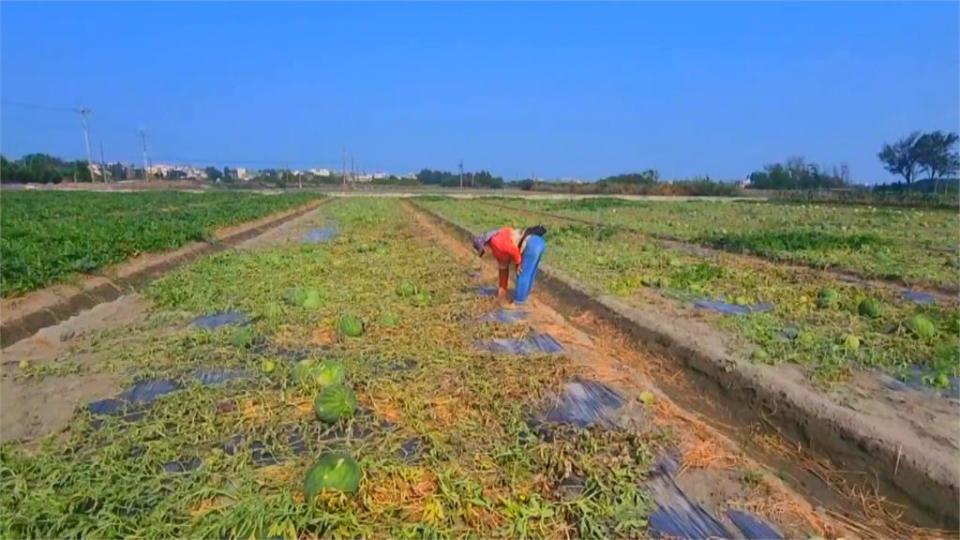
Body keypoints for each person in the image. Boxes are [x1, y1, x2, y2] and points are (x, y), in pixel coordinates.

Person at [472, 225, 547, 303]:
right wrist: (502, 290)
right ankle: (526, 298)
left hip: (531, 244)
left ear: (485, 247)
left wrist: (518, 264)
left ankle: (519, 304)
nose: (485, 256)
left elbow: (512, 250)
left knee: (522, 275)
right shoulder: (497, 249)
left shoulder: (495, 242)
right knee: (530, 273)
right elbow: (503, 270)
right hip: (539, 243)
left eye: (483, 253)